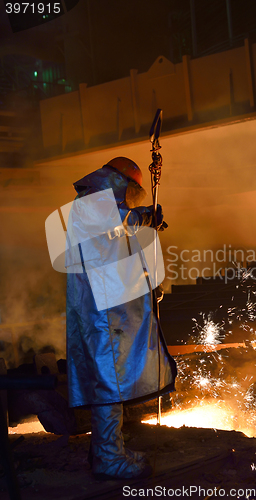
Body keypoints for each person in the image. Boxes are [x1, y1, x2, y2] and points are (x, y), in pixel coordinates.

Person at [65, 157, 177, 479]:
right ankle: (108, 458)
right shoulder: (94, 203)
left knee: (107, 381)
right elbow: (115, 225)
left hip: (100, 308)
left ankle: (105, 449)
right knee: (109, 384)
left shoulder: (93, 202)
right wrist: (144, 216)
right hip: (103, 315)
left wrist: (147, 282)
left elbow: (114, 249)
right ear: (122, 182)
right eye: (132, 193)